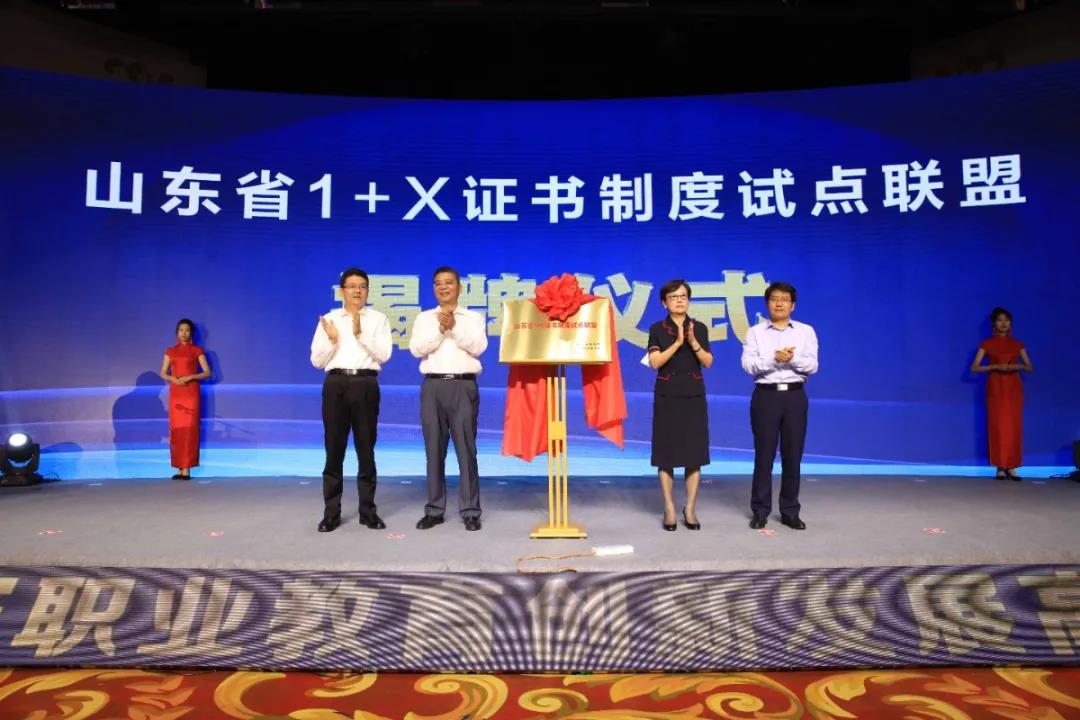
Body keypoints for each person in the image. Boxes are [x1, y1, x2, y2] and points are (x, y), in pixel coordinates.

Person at [310, 268, 393, 532]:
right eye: (352, 286)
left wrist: (360, 334)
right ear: (342, 290)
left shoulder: (378, 319)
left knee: (366, 450)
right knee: (334, 450)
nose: (357, 291)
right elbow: (316, 360)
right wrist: (332, 340)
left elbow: (384, 355)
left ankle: (368, 512)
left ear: (367, 290)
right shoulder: (330, 320)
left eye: (362, 286)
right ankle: (331, 513)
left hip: (366, 383)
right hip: (336, 384)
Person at [408, 267, 488, 531]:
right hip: (432, 387)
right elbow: (416, 349)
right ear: (434, 288)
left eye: (449, 283)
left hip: (463, 386)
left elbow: (478, 347)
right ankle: (434, 510)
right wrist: (441, 330)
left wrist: (454, 328)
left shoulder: (473, 318)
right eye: (438, 283)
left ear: (459, 287)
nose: (443, 287)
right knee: (434, 451)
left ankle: (470, 510)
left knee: (466, 450)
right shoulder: (424, 318)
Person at [740, 281, 818, 530]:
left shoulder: (806, 331)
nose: (779, 303)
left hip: (795, 396)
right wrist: (773, 359)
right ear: (767, 304)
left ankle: (790, 510)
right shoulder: (755, 332)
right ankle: (760, 510)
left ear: (792, 305)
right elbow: (748, 365)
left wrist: (792, 359)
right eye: (774, 299)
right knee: (764, 455)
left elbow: (813, 365)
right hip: (766, 396)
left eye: (785, 299)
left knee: (793, 455)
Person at [647, 279, 713, 531]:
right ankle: (669, 507)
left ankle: (690, 508)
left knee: (694, 454)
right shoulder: (657, 328)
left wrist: (693, 341)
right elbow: (655, 362)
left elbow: (708, 362)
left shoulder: (699, 327)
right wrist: (676, 343)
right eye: (673, 297)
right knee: (666, 454)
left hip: (693, 395)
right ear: (664, 303)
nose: (679, 300)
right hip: (667, 395)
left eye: (683, 296)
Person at [970, 307, 1033, 480]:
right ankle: (1000, 467)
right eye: (1000, 320)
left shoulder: (1017, 344)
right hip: (996, 386)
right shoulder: (987, 344)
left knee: (1013, 426)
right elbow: (974, 367)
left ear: (1010, 323)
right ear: (994, 323)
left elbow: (1029, 367)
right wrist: (995, 366)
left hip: (1013, 388)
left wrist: (1015, 366)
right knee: (997, 426)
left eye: (1006, 320)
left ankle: (1011, 466)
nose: (1003, 323)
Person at [159, 318, 211, 480]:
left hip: (191, 393)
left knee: (190, 429)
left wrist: (191, 377)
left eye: (187, 330)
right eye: (181, 330)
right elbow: (163, 372)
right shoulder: (170, 351)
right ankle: (179, 467)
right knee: (177, 429)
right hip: (176, 393)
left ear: (191, 333)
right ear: (177, 332)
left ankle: (187, 468)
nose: (184, 333)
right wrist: (173, 379)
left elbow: (207, 372)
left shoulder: (197, 350)